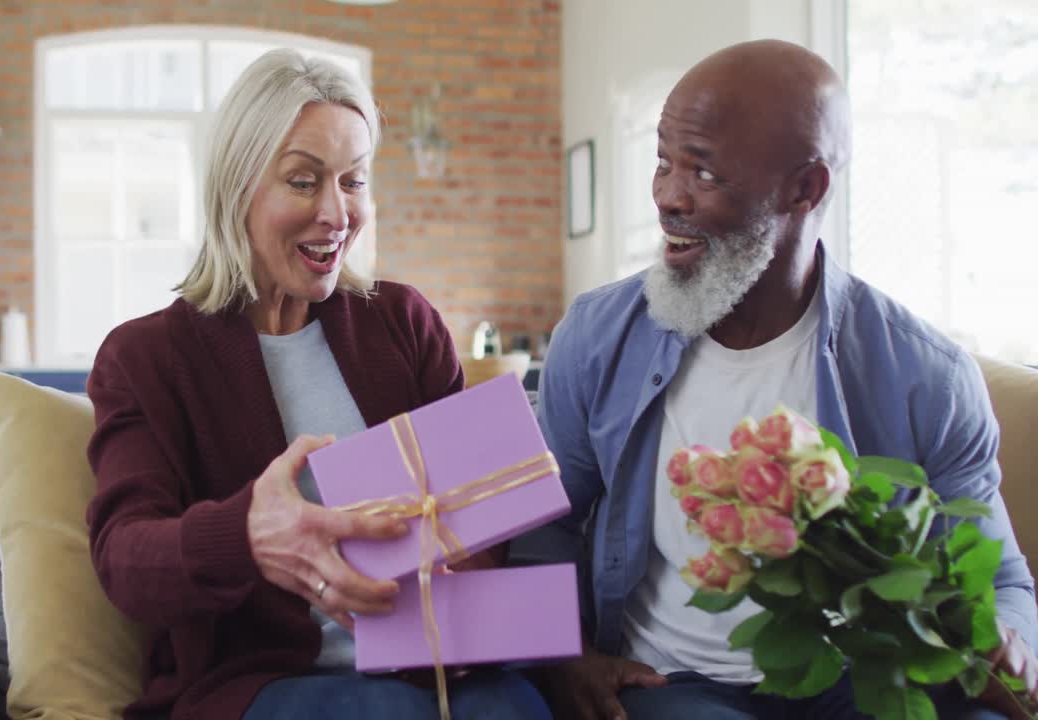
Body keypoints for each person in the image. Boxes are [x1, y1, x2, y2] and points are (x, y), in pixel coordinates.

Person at [517, 39, 1038, 720]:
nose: (669, 196)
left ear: (806, 187)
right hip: (676, 687)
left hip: (865, 684)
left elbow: (1000, 577)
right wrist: (568, 657)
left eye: (703, 173)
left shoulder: (927, 376)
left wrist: (1012, 643)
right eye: (663, 163)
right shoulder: (594, 337)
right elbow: (543, 523)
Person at [84, 49, 550, 720]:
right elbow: (125, 561)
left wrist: (472, 555)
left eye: (354, 181)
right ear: (237, 187)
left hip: (433, 668)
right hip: (263, 682)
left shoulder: (403, 322)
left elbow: (478, 523)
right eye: (303, 181)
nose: (337, 213)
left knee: (518, 708)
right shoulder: (146, 356)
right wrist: (246, 534)